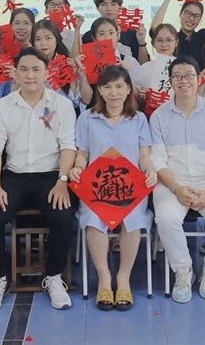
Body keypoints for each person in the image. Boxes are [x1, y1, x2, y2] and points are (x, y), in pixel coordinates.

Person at [0, 48, 77, 312]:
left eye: (36, 69)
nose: (30, 75)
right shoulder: (1, 107)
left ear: (46, 72)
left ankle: (54, 276)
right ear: (16, 72)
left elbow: (68, 146)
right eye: (23, 69)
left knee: (63, 215)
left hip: (51, 175)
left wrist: (63, 181)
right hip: (14, 175)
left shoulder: (61, 105)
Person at [150, 56, 205, 303]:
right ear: (170, 81)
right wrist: (176, 188)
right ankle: (183, 270)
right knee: (166, 218)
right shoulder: (158, 116)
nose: (184, 81)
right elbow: (158, 161)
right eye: (177, 76)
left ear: (199, 78)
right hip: (172, 183)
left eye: (189, 75)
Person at [70, 65, 156, 311]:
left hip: (130, 187)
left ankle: (124, 278)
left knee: (133, 217)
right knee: (92, 217)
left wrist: (149, 170)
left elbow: (144, 156)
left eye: (119, 86)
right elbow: (82, 153)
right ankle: (104, 279)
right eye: (107, 87)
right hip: (97, 187)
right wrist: (77, 168)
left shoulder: (139, 119)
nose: (113, 92)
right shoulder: (87, 118)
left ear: (129, 89)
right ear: (99, 90)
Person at [81, 18, 142, 106]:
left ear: (118, 35)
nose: (107, 37)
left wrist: (127, 74)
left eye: (111, 32)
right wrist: (84, 75)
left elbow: (137, 96)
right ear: (94, 38)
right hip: (97, 111)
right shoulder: (87, 63)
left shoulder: (129, 61)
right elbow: (86, 100)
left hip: (124, 111)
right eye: (102, 34)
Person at [81, 0, 150, 63]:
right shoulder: (89, 36)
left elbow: (144, 65)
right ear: (97, 8)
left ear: (120, 7)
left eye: (113, 4)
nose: (109, 8)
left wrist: (141, 42)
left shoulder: (132, 34)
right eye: (103, 4)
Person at [31, 19, 84, 109]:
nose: (43, 43)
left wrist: (73, 75)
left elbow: (74, 101)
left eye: (48, 38)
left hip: (64, 112)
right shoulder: (29, 65)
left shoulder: (66, 63)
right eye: (38, 39)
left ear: (57, 39)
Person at [137, 23, 178, 97]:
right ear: (154, 43)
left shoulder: (184, 68)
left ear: (176, 43)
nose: (164, 44)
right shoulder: (145, 68)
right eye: (159, 40)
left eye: (169, 40)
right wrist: (141, 95)